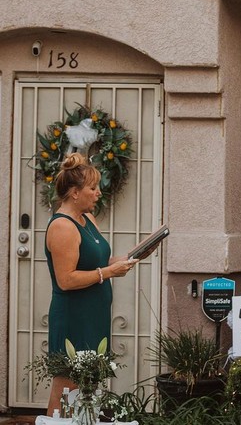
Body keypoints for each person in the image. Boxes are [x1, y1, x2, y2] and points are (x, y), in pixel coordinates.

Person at [44, 153, 135, 414]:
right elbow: (66, 280)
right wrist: (108, 272)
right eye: (92, 188)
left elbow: (99, 261)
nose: (98, 193)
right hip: (74, 317)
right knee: (66, 389)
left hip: (94, 315)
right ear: (74, 193)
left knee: (88, 388)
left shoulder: (88, 219)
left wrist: (128, 259)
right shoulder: (63, 226)